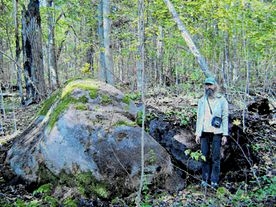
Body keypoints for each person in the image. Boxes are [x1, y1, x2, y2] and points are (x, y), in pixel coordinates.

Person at [195, 76, 228, 189]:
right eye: (207, 85)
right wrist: (197, 133)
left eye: (210, 84)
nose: (208, 87)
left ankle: (214, 180)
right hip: (204, 132)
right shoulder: (201, 100)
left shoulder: (222, 100)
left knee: (215, 157)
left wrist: (225, 134)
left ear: (215, 86)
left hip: (217, 132)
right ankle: (205, 179)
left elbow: (225, 117)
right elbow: (199, 117)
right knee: (204, 156)